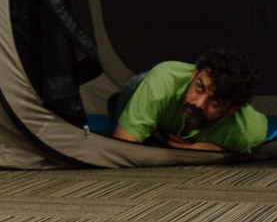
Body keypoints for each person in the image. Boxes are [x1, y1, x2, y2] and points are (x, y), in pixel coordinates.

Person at [110, 47, 267, 154]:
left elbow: (256, 140)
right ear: (194, 74)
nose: (199, 103)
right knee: (136, 89)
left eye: (215, 102)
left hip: (167, 122)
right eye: (199, 87)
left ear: (233, 108)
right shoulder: (162, 83)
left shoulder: (246, 130)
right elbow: (121, 150)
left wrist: (213, 149)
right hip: (141, 90)